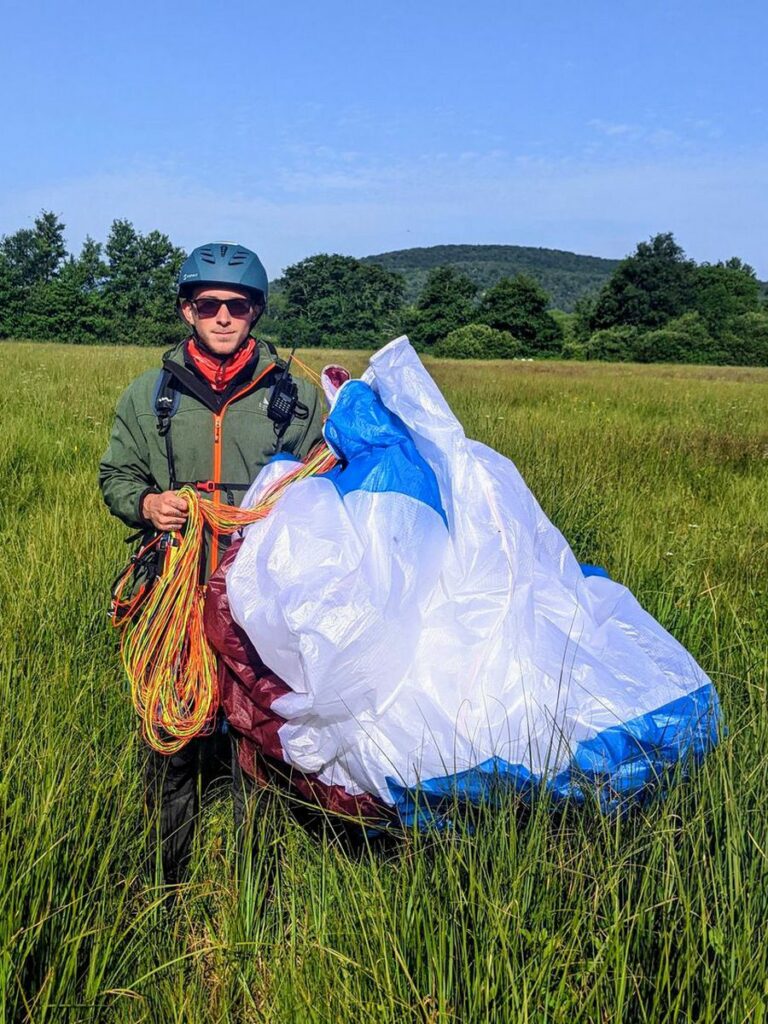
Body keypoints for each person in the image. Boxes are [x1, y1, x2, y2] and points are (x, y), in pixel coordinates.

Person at [99, 242, 325, 884]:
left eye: (238, 305)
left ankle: (259, 890)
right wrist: (147, 502)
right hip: (176, 592)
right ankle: (165, 886)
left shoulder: (295, 397)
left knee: (259, 740)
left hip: (261, 603)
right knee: (171, 739)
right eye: (209, 305)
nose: (223, 317)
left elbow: (326, 484)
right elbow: (116, 473)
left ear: (255, 312)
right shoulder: (151, 397)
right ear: (187, 311)